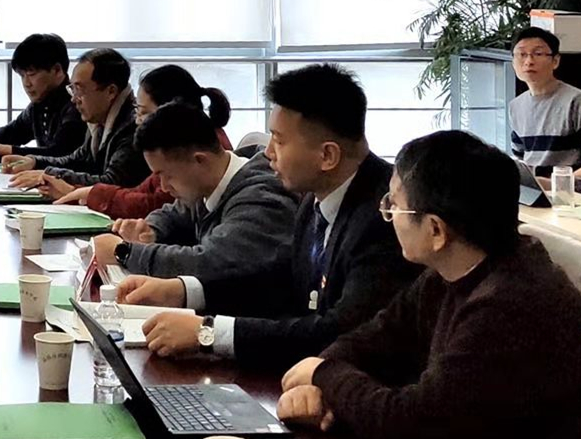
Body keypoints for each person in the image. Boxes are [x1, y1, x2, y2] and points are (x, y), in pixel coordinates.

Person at [277, 130, 581, 439]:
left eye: (394, 205)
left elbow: (410, 424)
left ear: (436, 230)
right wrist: (319, 382)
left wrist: (323, 374)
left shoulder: (510, 306)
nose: (387, 215)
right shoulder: (452, 271)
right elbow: (376, 337)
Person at [119, 64, 418, 369]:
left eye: (279, 139)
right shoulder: (315, 199)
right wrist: (185, 291)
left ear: (327, 156)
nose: (268, 152)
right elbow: (279, 280)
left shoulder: (385, 217)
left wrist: (208, 333)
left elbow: (339, 331)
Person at [89, 101, 295, 281]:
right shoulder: (207, 187)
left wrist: (124, 252)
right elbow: (175, 213)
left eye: (166, 175)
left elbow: (209, 263)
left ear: (199, 161)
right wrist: (150, 229)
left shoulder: (261, 200)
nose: (163, 186)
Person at [32, 64, 233, 215]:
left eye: (143, 113)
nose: (137, 121)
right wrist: (80, 193)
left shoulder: (188, 145)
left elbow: (153, 204)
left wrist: (83, 193)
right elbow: (142, 192)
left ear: (169, 111)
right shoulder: (175, 140)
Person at [2, 47, 148, 190]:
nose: (74, 99)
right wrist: (34, 162)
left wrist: (48, 175)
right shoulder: (100, 121)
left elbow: (111, 183)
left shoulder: (133, 126)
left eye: (79, 90)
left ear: (111, 91)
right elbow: (77, 160)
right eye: (73, 89)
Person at [0, 33, 84, 159]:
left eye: (31, 74)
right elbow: (13, 131)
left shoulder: (77, 105)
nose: (26, 83)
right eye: (22, 75)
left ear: (57, 70)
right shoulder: (39, 104)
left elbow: (60, 153)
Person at [509, 26, 581, 175]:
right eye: (522, 54)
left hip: (569, 186)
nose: (529, 61)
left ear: (555, 61)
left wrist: (563, 183)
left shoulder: (575, 101)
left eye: (538, 53)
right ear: (513, 62)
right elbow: (520, 158)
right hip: (532, 186)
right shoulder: (515, 106)